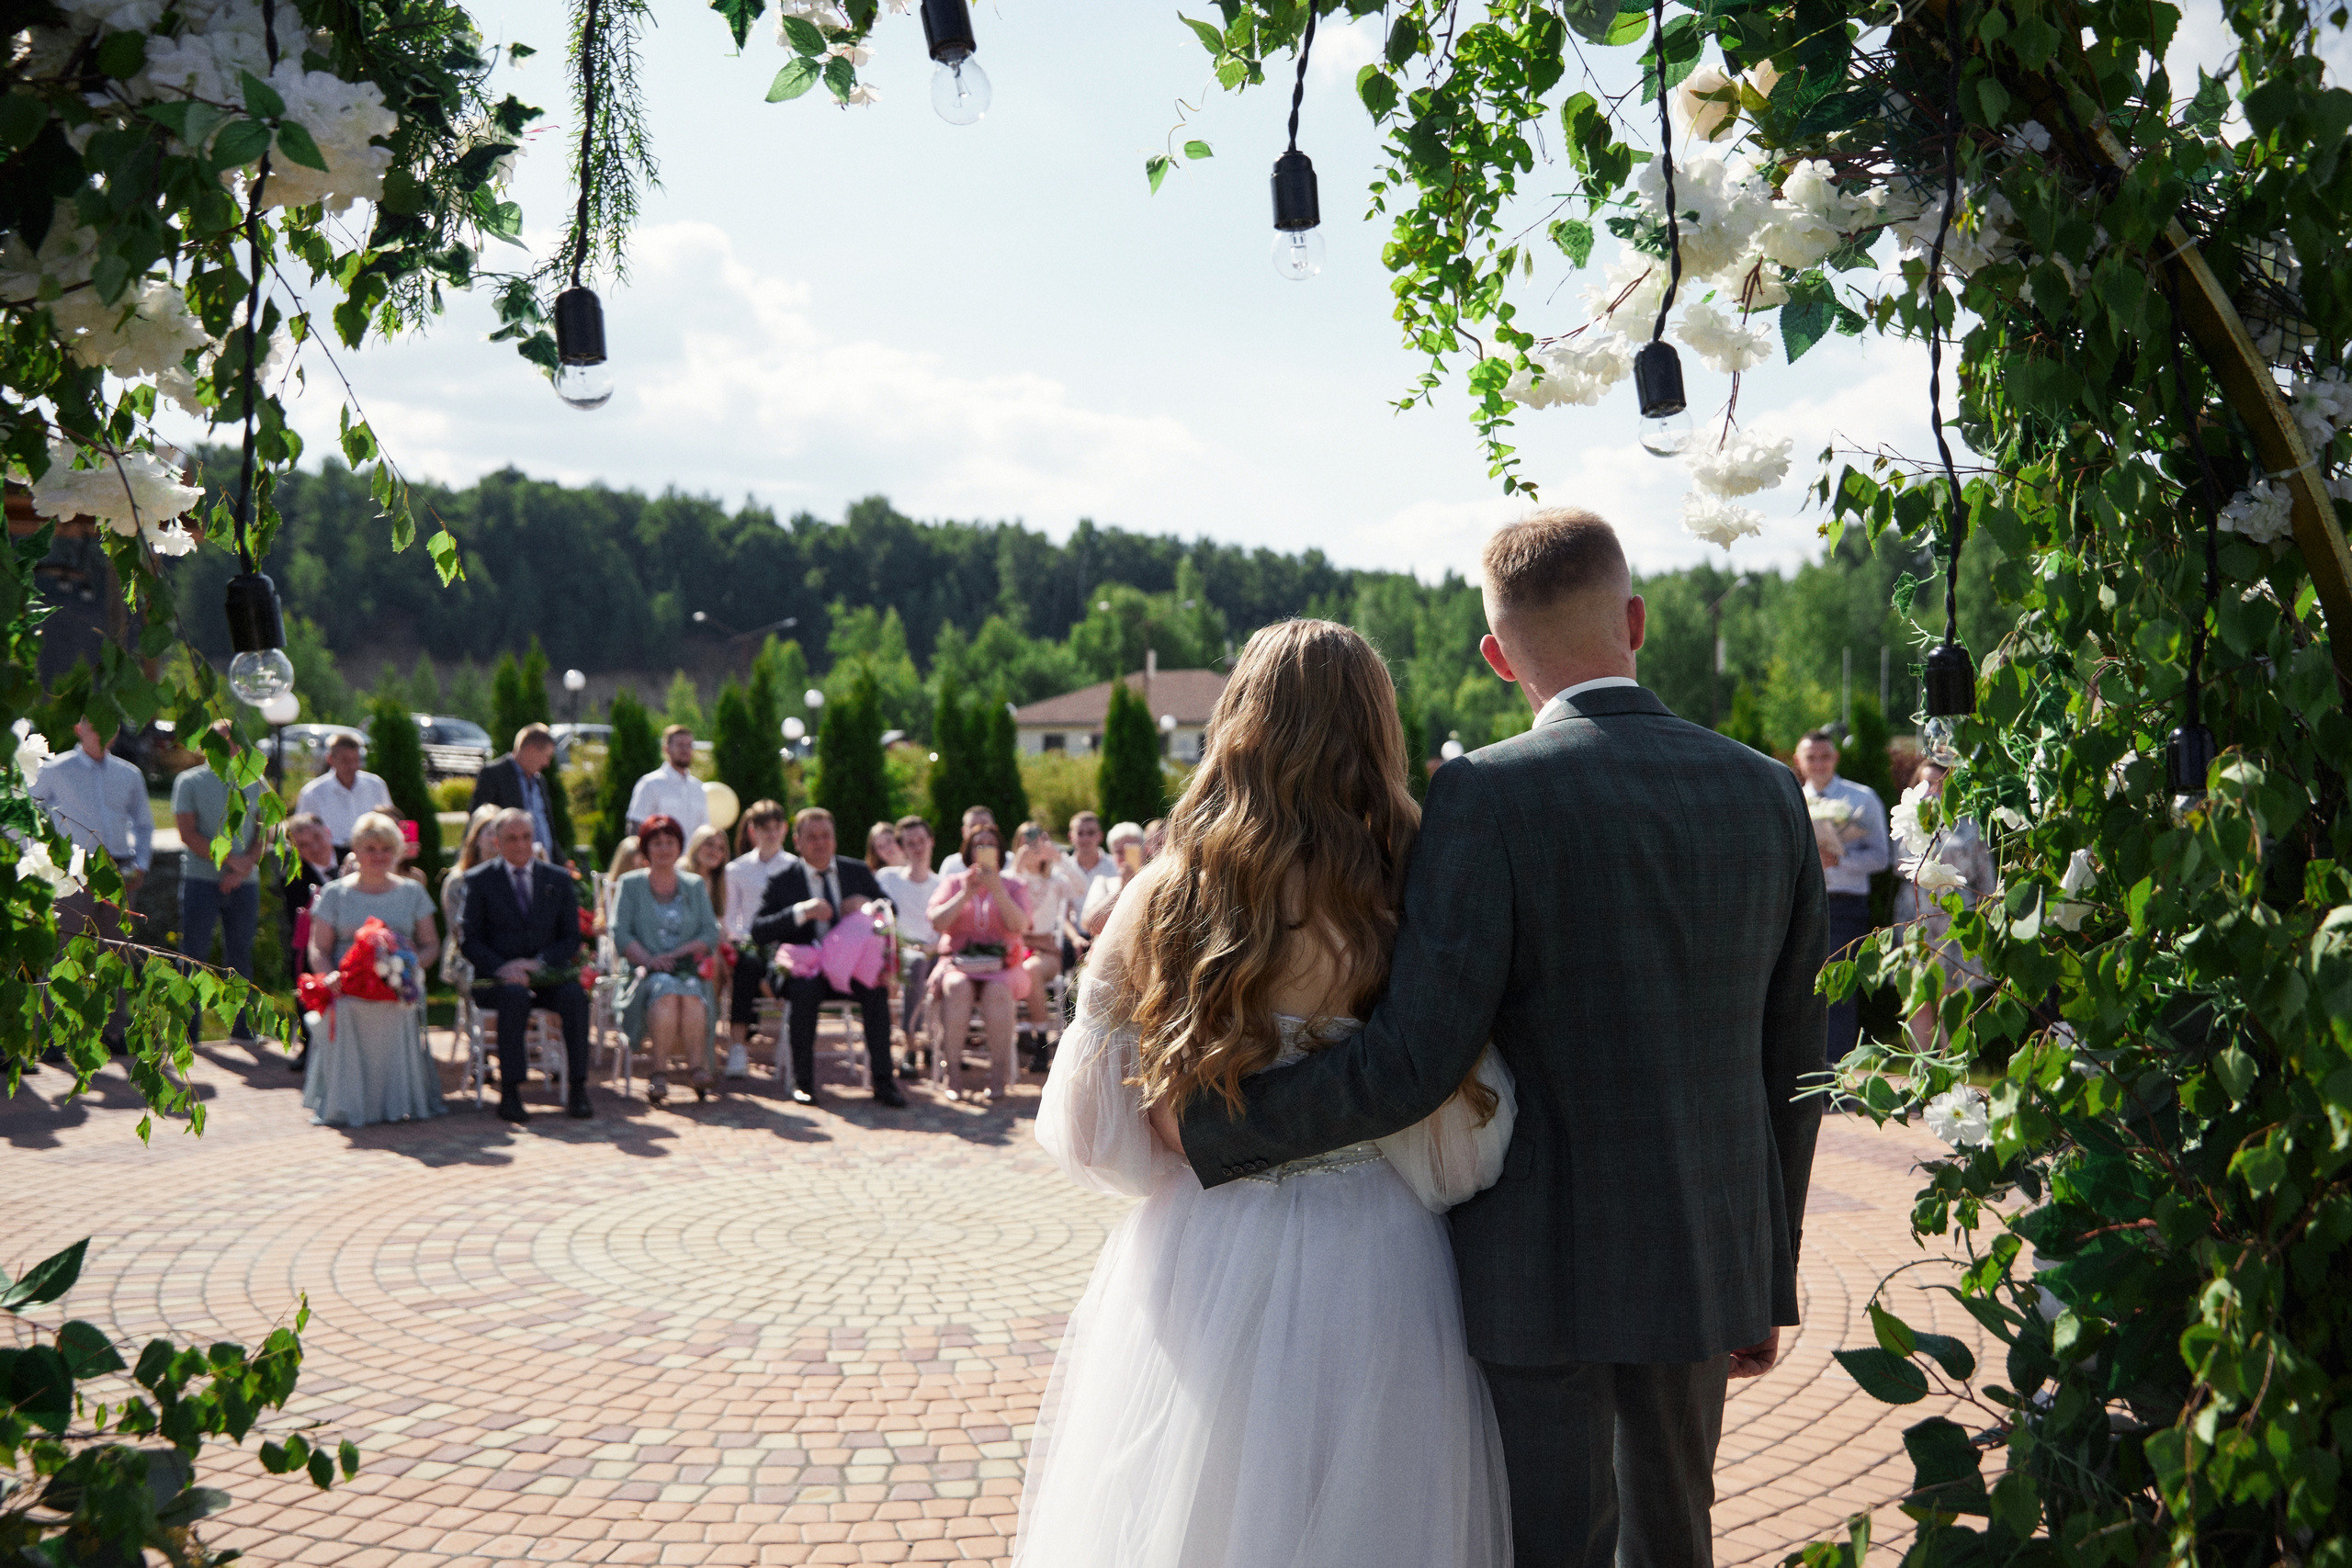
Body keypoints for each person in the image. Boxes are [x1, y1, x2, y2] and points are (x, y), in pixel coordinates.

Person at [1161, 513, 1828, 1567]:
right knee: (1674, 1540)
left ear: (1494, 652)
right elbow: (1795, 1061)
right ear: (1636, 620)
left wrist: (1218, 1130)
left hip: (1538, 1266)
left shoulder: (1486, 791)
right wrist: (1766, 1268)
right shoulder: (1767, 790)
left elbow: (1417, 1059)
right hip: (1707, 1256)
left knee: (1549, 1546)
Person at [1018, 617, 1518, 1568]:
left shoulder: (1169, 890)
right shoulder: (1414, 879)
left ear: (1238, 722)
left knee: (1196, 1511)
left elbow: (1089, 1132)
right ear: (1377, 726)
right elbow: (1466, 1122)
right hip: (1375, 1247)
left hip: (1201, 1240)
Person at [750, 807, 907, 1109]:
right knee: (804, 993)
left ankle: (884, 1083)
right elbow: (758, 931)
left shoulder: (857, 871)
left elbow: (891, 911)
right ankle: (803, 1083)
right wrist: (801, 912)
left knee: (876, 992)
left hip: (851, 969)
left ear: (835, 840)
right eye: (811, 837)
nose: (819, 843)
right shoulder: (783, 881)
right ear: (797, 841)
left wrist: (867, 903)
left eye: (825, 836)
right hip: (806, 969)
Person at [302, 812, 446, 1129]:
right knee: (348, 1007)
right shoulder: (335, 893)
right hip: (349, 986)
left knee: (396, 1009)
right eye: (370, 848)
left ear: (396, 851)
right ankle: (347, 1104)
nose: (378, 855)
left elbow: (431, 944)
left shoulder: (412, 892)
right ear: (356, 850)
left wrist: (405, 970)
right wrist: (329, 977)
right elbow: (319, 948)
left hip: (397, 988)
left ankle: (395, 1102)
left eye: (385, 848)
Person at [458, 808, 595, 1123]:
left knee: (574, 997)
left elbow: (571, 938)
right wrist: (503, 968)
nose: (520, 845)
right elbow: (470, 940)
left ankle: (577, 1088)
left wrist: (539, 963)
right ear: (497, 841)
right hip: (498, 979)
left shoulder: (557, 879)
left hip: (546, 974)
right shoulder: (480, 881)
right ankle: (510, 1092)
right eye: (511, 838)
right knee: (514, 998)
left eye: (526, 837)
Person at [31, 719, 152, 1047]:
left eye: (107, 724)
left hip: (119, 869)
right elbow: (29, 809)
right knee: (64, 953)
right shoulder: (56, 769)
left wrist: (142, 863)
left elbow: (144, 822)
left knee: (117, 953)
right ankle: (56, 1037)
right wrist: (41, 858)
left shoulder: (129, 773)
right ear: (77, 729)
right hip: (71, 871)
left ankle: (113, 1032)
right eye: (92, 723)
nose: (100, 730)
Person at [1794, 727, 1891, 1068]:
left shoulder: (1862, 799)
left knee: (1839, 991)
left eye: (1825, 756)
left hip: (1845, 904)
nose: (1818, 763)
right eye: (1811, 757)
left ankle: (1836, 1080)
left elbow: (1882, 857)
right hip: (1800, 906)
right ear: (1799, 760)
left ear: (1835, 757)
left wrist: (1840, 861)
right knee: (1802, 993)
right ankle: (1804, 1076)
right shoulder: (1791, 798)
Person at [610, 814, 722, 1106]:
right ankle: (659, 1072)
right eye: (656, 843)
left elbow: (710, 933)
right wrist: (649, 960)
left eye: (670, 842)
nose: (663, 849)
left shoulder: (694, 885)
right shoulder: (630, 884)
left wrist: (678, 954)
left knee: (693, 994)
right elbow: (621, 933)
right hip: (643, 970)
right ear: (645, 849)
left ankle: (697, 1069)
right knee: (666, 991)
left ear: (680, 847)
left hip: (685, 966)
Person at [1893, 760, 1998, 1053]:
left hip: (1957, 915)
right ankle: (1922, 1071)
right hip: (1917, 914)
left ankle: (1950, 1069)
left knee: (1953, 996)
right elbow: (1896, 865)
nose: (1932, 791)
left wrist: (1987, 920)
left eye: (1939, 784)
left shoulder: (1968, 823)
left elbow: (1985, 878)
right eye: (1925, 784)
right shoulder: (1906, 821)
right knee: (1920, 993)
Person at [172, 720, 266, 1043]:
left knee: (241, 954)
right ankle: (189, 1033)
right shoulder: (189, 781)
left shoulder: (256, 782)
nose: (231, 746)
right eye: (223, 740)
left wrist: (242, 869)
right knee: (193, 954)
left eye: (236, 740)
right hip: (201, 881)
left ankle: (243, 1030)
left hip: (245, 884)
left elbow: (262, 834)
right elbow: (188, 834)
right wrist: (229, 861)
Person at [925, 820, 1031, 1102]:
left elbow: (1020, 925)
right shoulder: (953, 883)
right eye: (978, 845)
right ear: (969, 851)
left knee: (997, 993)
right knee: (957, 988)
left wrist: (997, 890)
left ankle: (998, 1074)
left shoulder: (1014, 885)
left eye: (990, 844)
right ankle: (953, 1073)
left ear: (1000, 850)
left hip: (1003, 966)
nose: (984, 849)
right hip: (958, 964)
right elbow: (937, 923)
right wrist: (966, 894)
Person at [722, 800, 797, 1077]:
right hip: (750, 944)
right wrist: (744, 940)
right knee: (749, 965)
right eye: (764, 828)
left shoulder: (795, 867)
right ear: (752, 831)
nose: (771, 834)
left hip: (785, 946)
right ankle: (738, 1048)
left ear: (785, 829)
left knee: (785, 968)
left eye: (776, 828)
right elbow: (731, 918)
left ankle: (790, 1038)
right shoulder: (737, 869)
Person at [874, 814, 939, 1075]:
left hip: (935, 952)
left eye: (921, 841)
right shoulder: (887, 878)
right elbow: (876, 919)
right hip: (897, 952)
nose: (918, 848)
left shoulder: (942, 883)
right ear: (902, 847)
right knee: (915, 967)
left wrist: (932, 949)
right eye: (910, 843)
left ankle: (933, 1043)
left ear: (931, 842)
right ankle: (911, 1045)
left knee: (926, 967)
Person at [1010, 822, 1084, 1043]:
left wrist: (1059, 858)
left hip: (1046, 954)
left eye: (1039, 839)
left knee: (1030, 968)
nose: (1034, 845)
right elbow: (998, 897)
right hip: (1014, 950)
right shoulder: (1012, 877)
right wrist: (1017, 865)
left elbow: (1081, 888)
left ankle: (1040, 1036)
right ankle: (1023, 1033)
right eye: (1027, 839)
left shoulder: (1056, 881)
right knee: (1023, 968)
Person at [279, 812, 340, 1071]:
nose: (314, 847)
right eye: (303, 844)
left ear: (328, 833)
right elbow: (301, 917)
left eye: (317, 837)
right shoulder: (293, 876)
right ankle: (309, 1045)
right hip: (314, 940)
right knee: (303, 973)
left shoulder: (353, 856)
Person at [471, 723, 564, 861]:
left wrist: (561, 862)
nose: (547, 764)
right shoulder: (494, 775)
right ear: (531, 750)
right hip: (509, 866)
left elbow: (547, 826)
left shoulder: (539, 780)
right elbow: (478, 822)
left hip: (542, 866)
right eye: (547, 756)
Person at [296, 734, 393, 858]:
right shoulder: (312, 793)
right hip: (330, 856)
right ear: (330, 759)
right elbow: (302, 832)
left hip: (370, 853)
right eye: (345, 760)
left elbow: (389, 822)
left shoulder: (376, 785)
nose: (352, 766)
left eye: (356, 760)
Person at [440, 804, 504, 970]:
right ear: (476, 838)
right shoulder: (457, 880)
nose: (495, 839)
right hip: (467, 959)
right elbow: (456, 929)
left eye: (500, 834)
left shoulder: (514, 876)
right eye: (490, 833)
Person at [625, 724, 708, 839]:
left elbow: (704, 831)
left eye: (689, 745)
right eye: (680, 745)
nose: (685, 750)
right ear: (666, 749)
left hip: (689, 857)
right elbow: (635, 826)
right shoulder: (650, 784)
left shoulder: (698, 787)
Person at [1078, 821, 1147, 939]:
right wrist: (1122, 889)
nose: (1125, 856)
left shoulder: (1154, 882)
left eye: (1131, 851)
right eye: (1119, 852)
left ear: (1144, 852)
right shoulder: (1104, 882)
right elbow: (1090, 925)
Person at [934, 804, 995, 877]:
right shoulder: (952, 864)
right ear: (963, 831)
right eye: (973, 826)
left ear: (995, 829)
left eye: (984, 825)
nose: (978, 830)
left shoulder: (1010, 861)